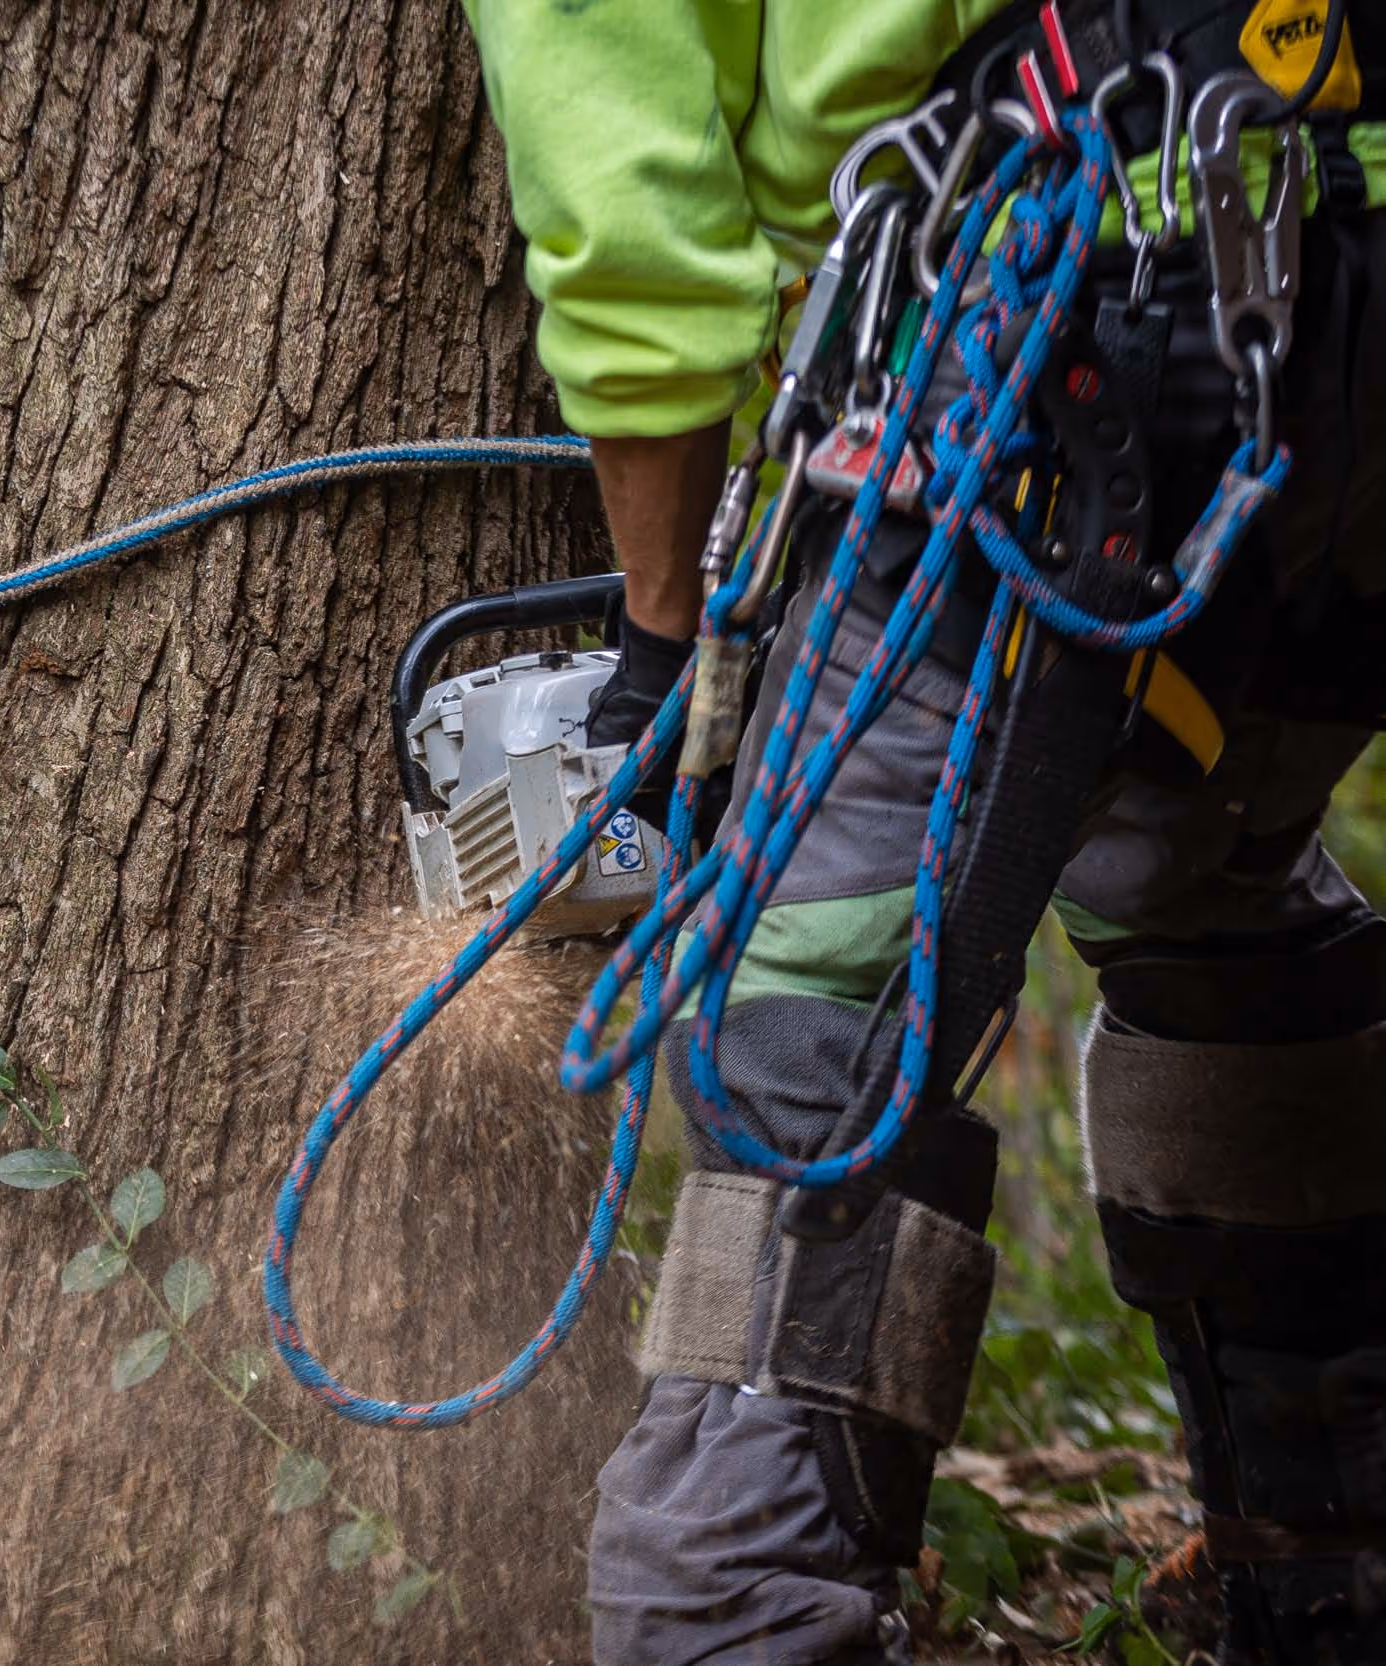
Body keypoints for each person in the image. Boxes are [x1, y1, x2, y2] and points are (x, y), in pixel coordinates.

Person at [461, 2, 1386, 1661]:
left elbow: (623, 178)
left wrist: (667, 640)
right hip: (1340, 286)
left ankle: (724, 1611)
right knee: (1204, 863)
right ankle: (1336, 1564)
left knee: (818, 1015)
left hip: (1074, 299)